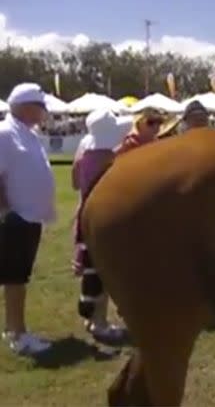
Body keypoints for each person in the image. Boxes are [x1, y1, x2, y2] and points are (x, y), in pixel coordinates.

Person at [0, 83, 56, 355]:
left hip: (28, 217)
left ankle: (14, 327)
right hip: (15, 218)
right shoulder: (4, 134)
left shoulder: (27, 134)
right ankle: (17, 333)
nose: (44, 112)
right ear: (26, 107)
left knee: (18, 277)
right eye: (40, 106)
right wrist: (6, 212)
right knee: (15, 278)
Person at [71, 109, 130, 343]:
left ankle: (93, 316)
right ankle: (100, 322)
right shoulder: (107, 158)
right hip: (103, 219)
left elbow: (75, 183)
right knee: (101, 273)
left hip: (87, 215)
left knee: (93, 270)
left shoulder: (85, 154)